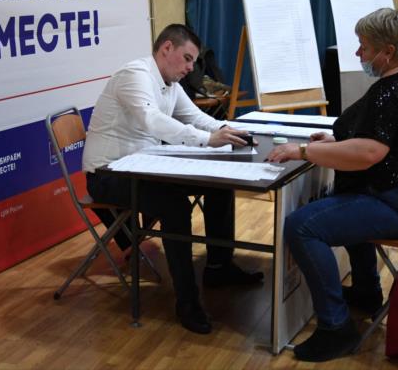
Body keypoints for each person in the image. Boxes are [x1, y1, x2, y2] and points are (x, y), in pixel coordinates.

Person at [266, 8, 398, 362]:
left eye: (364, 47)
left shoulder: (392, 91)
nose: (358, 54)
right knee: (346, 195)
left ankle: (336, 326)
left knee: (301, 227)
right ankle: (365, 292)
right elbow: (379, 140)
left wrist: (304, 150)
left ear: (388, 51)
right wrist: (332, 144)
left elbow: (370, 152)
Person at [83, 23, 263, 335]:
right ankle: (187, 303)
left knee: (218, 185)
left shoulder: (169, 82)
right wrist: (208, 140)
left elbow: (194, 117)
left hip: (144, 166)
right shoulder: (134, 76)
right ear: (167, 48)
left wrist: (228, 130)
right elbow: (152, 121)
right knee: (174, 206)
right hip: (108, 174)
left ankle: (219, 267)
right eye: (188, 59)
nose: (191, 68)